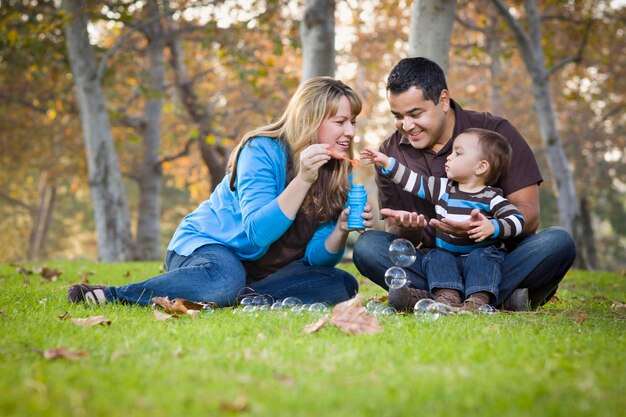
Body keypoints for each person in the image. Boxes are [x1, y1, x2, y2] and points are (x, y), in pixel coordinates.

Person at [68, 77, 373, 308]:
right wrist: (303, 179)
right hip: (209, 248)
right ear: (311, 118)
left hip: (260, 272)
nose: (351, 132)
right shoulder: (262, 149)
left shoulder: (337, 169)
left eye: (353, 122)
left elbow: (315, 259)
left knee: (340, 284)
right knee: (224, 279)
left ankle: (246, 297)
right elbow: (257, 232)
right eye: (340, 122)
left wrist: (341, 229)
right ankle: (114, 294)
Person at [352, 57, 576, 312]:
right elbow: (397, 238)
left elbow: (530, 216)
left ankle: (432, 299)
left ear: (443, 100)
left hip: (493, 259)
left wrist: (487, 227)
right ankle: (495, 301)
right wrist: (409, 229)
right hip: (434, 262)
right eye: (398, 116)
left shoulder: (494, 134)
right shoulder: (391, 152)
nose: (407, 126)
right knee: (368, 247)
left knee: (557, 241)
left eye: (415, 114)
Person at [361, 128, 524, 310]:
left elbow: (517, 220)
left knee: (483, 257)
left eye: (458, 153)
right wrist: (387, 162)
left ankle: (478, 299)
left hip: (479, 256)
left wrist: (492, 227)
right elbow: (413, 180)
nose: (449, 157)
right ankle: (447, 297)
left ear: (481, 167)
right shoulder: (443, 188)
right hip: (448, 255)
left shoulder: (492, 197)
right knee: (438, 256)